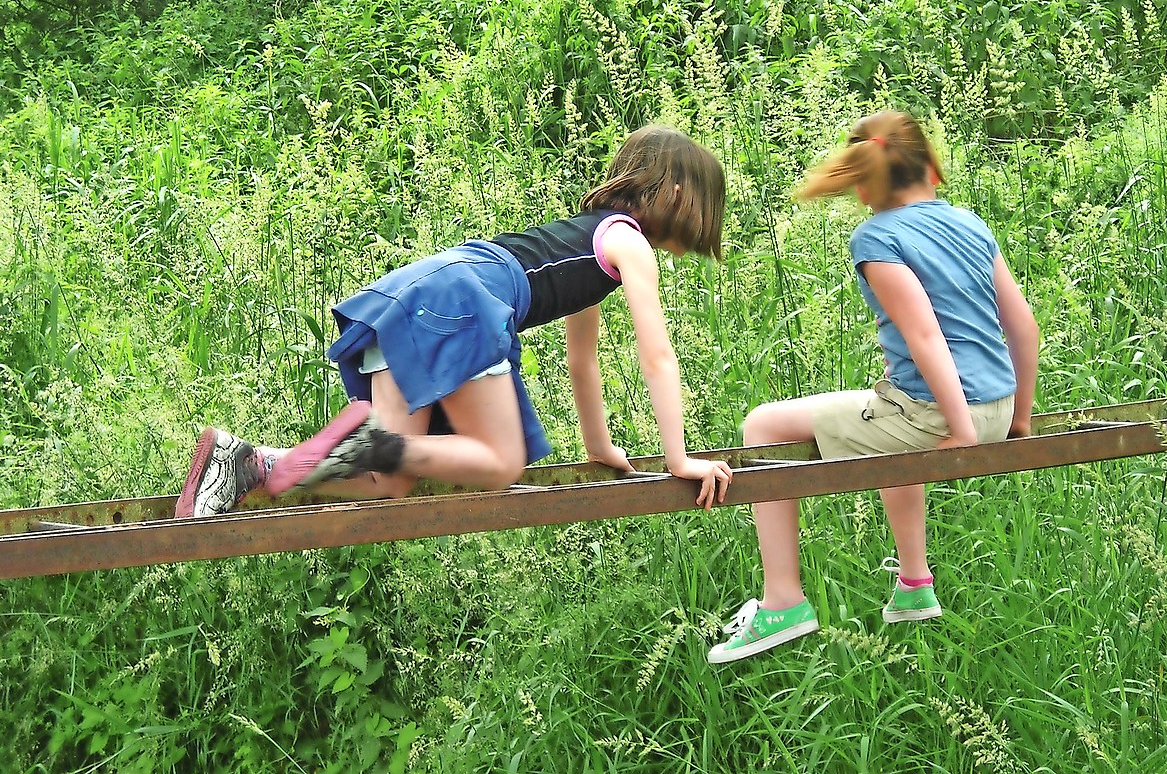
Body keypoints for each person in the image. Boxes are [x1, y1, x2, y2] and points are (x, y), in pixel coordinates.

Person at [175, 124, 734, 518]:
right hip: (464, 299)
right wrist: (678, 458)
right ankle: (372, 443)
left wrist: (599, 450)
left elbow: (580, 361)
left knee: (388, 484)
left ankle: (246, 464)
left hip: (420, 292)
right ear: (679, 194)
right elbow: (657, 355)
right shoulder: (627, 243)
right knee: (500, 461)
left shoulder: (593, 240)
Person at [707, 109, 1038, 664]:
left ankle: (782, 601)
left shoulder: (876, 239)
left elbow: (926, 337)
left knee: (761, 425)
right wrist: (1016, 419)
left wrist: (960, 430)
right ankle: (914, 585)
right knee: (883, 416)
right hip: (997, 408)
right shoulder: (971, 224)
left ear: (864, 187)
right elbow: (1022, 325)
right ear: (931, 167)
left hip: (940, 416)